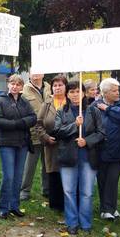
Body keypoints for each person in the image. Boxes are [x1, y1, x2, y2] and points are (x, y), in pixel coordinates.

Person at [55, 81, 105, 235]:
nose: (75, 95)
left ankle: (85, 223)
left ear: (83, 93)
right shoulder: (62, 111)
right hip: (68, 156)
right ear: (67, 94)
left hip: (88, 157)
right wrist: (75, 125)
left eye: (78, 91)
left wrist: (87, 141)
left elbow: (101, 133)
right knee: (69, 191)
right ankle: (72, 222)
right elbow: (57, 132)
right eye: (71, 92)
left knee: (87, 192)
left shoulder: (93, 111)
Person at [0, 74, 37, 219]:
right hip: (6, 143)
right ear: (8, 84)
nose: (15, 86)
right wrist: (19, 124)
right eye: (12, 83)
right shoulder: (0, 100)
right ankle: (3, 207)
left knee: (18, 177)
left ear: (21, 87)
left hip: (22, 143)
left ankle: (14, 206)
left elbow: (33, 117)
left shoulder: (24, 101)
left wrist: (20, 123)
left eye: (18, 84)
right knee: (9, 176)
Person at [93, 78, 120, 220]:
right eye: (114, 90)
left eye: (118, 90)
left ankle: (109, 208)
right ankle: (107, 209)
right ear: (105, 92)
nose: (117, 93)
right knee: (103, 179)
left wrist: (108, 109)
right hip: (101, 149)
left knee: (113, 179)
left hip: (118, 149)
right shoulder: (95, 105)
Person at [20, 69, 50, 201]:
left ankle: (47, 189)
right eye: (33, 72)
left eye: (39, 71)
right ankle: (24, 190)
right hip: (32, 133)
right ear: (29, 74)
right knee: (30, 164)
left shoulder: (50, 87)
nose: (36, 74)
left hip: (49, 132)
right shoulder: (24, 90)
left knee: (48, 163)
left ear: (43, 74)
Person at [42, 75, 68, 212]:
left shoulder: (71, 102)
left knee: (66, 172)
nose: (57, 88)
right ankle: (55, 203)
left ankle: (67, 202)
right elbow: (38, 123)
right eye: (55, 85)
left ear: (66, 87)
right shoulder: (47, 103)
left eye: (60, 85)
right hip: (51, 144)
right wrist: (45, 137)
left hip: (68, 144)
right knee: (53, 172)